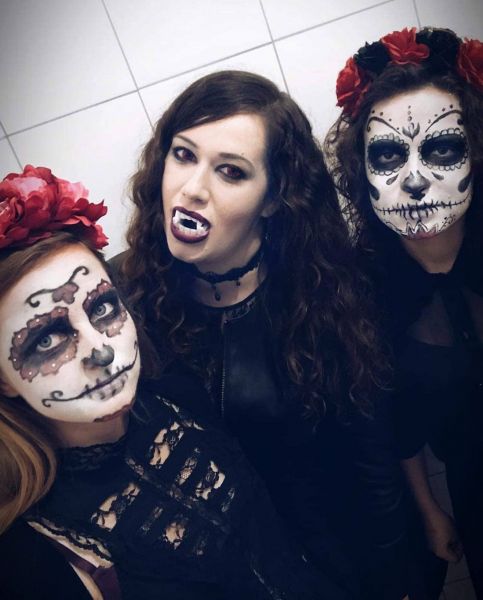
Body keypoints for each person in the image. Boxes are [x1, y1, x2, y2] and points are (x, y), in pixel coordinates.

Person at [113, 70, 409, 599]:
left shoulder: (325, 295)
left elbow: (373, 465)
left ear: (273, 198)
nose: (192, 189)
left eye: (231, 171)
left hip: (327, 569)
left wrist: (393, 582)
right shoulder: (119, 298)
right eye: (183, 155)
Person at [0, 165, 349, 599]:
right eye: (48, 339)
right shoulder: (32, 557)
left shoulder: (177, 390)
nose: (100, 351)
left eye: (103, 308)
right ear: (4, 381)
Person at [326, 27, 483, 598]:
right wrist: (431, 511)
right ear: (362, 172)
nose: (415, 180)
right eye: (390, 156)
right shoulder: (362, 292)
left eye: (441, 149)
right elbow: (394, 422)